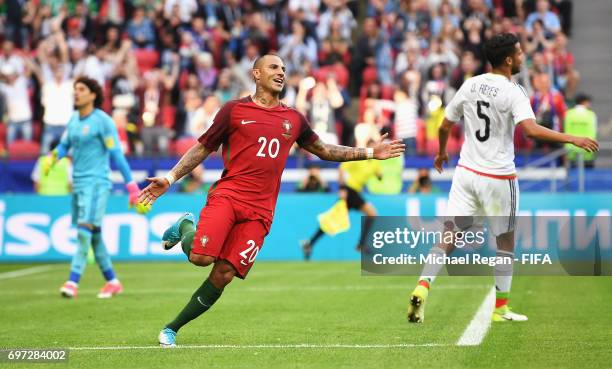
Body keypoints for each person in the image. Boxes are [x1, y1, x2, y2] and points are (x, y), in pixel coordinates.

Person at [138, 54, 405, 347]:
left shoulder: (293, 119)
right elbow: (203, 147)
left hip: (261, 211)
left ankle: (172, 328)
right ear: (255, 74)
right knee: (202, 258)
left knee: (224, 273)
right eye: (274, 67)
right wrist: (171, 177)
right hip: (229, 195)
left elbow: (324, 150)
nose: (281, 72)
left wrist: (368, 153)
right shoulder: (234, 111)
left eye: (283, 69)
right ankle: (186, 226)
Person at [406, 33, 598, 324]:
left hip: (466, 172)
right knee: (505, 242)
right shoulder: (513, 91)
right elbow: (531, 131)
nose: (523, 57)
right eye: (520, 53)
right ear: (508, 59)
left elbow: (445, 125)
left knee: (449, 235)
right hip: (498, 176)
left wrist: (442, 153)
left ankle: (423, 284)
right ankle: (501, 308)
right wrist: (572, 138)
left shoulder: (470, 84)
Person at [46, 76, 141, 299]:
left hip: (97, 184)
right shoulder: (74, 120)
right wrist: (53, 157)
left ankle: (72, 281)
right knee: (94, 235)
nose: (76, 93)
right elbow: (64, 145)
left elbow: (116, 154)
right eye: (75, 89)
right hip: (78, 185)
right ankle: (112, 281)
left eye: (80, 89)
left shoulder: (103, 121)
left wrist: (131, 186)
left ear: (92, 94)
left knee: (83, 232)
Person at [301, 139, 384, 260]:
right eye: (371, 146)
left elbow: (379, 176)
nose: (373, 148)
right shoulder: (361, 158)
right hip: (349, 190)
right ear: (367, 147)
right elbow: (341, 169)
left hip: (355, 192)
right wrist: (342, 188)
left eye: (374, 146)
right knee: (371, 214)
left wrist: (381, 172)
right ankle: (360, 245)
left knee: (333, 220)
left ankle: (309, 243)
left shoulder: (375, 163)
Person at [564, 94, 598, 167]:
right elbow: (593, 132)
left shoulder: (568, 113)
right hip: (587, 150)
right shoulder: (591, 114)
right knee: (588, 176)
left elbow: (565, 130)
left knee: (572, 176)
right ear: (585, 102)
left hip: (571, 151)